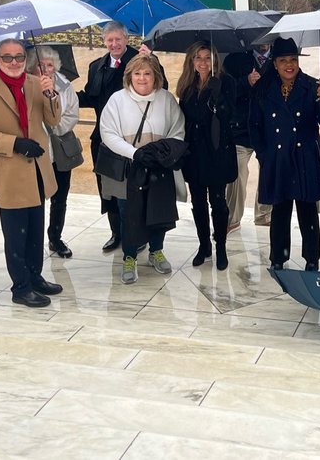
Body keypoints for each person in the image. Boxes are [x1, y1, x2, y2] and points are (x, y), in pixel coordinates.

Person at [0, 39, 64, 308]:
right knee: (16, 236)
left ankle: (35, 276)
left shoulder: (35, 83)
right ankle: (21, 288)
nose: (14, 62)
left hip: (37, 171)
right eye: (7, 57)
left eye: (19, 57)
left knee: (35, 231)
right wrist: (14, 143)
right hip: (10, 174)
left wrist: (51, 94)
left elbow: (53, 120)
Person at [249, 37, 320, 271]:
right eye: (283, 60)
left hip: (305, 157)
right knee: (280, 210)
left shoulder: (312, 86)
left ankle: (312, 259)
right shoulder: (263, 88)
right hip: (277, 159)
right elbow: (254, 125)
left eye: (293, 60)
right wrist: (264, 156)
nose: (289, 65)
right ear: (275, 64)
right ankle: (278, 257)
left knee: (308, 211)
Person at [78, 21, 164, 253]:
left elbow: (161, 86)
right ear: (104, 42)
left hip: (135, 140)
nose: (114, 44)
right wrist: (61, 95)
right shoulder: (96, 66)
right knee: (110, 190)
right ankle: (117, 232)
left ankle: (141, 234)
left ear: (127, 39)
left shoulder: (141, 60)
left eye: (118, 39)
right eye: (110, 40)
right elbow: (90, 97)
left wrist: (153, 61)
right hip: (104, 140)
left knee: (137, 191)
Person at [100, 53, 186, 285]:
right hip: (129, 166)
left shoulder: (166, 99)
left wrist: (161, 152)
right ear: (129, 76)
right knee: (128, 214)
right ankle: (129, 257)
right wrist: (135, 153)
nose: (142, 78)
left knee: (158, 210)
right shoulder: (117, 100)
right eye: (137, 73)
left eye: (147, 73)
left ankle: (156, 251)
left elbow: (178, 129)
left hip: (158, 166)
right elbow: (108, 133)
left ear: (155, 76)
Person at [178, 41, 237, 271]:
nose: (203, 62)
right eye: (198, 57)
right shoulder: (187, 85)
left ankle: (220, 246)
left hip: (216, 151)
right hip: (194, 153)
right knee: (198, 203)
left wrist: (217, 95)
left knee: (218, 203)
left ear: (215, 60)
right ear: (192, 61)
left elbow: (229, 114)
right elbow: (186, 117)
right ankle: (204, 246)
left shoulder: (226, 82)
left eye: (207, 57)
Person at [27, 46, 79, 259]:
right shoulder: (25, 86)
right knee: (36, 199)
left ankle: (55, 238)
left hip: (59, 148)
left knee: (60, 197)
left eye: (50, 65)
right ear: (32, 67)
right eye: (40, 65)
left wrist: (53, 123)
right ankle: (33, 240)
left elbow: (72, 114)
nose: (46, 69)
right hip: (36, 151)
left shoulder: (65, 85)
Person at [223, 42, 273, 231]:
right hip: (239, 129)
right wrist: (245, 81)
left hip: (267, 129)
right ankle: (232, 218)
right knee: (236, 172)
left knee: (269, 171)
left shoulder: (280, 59)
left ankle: (264, 214)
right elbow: (225, 91)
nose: (264, 41)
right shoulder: (234, 60)